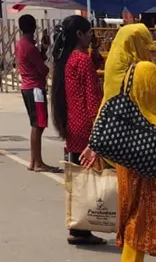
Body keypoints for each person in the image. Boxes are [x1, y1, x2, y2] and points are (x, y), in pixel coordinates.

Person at [81, 24, 156, 262]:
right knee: (154, 216)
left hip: (130, 157)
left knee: (135, 213)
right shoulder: (145, 70)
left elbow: (107, 109)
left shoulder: (118, 73)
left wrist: (94, 145)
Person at [50, 15, 105, 246]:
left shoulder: (68, 59)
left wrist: (94, 50)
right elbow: (92, 96)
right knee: (86, 180)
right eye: (89, 32)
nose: (92, 35)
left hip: (73, 123)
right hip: (85, 125)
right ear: (80, 35)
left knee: (79, 179)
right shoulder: (80, 60)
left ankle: (78, 227)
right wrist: (99, 125)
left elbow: (94, 66)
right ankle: (81, 229)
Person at [16, 14, 60, 173]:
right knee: (38, 125)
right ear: (34, 27)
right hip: (35, 88)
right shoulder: (29, 47)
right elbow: (43, 69)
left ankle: (34, 161)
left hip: (28, 86)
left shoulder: (22, 44)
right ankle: (37, 162)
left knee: (36, 124)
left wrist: (43, 49)